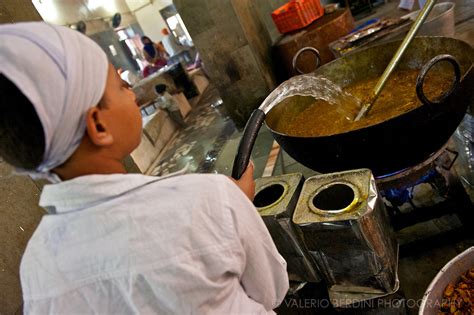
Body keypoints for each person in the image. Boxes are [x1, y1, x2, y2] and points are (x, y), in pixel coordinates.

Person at [0, 22, 288, 314]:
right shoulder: (207, 199)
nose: (133, 95)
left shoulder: (36, 266)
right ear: (98, 125)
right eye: (122, 87)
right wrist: (239, 205)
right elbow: (272, 290)